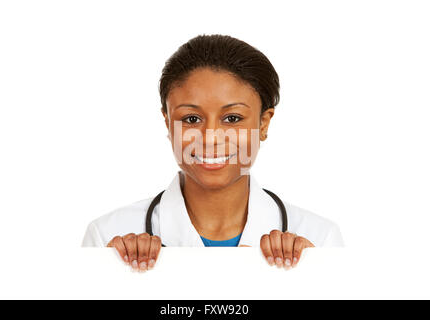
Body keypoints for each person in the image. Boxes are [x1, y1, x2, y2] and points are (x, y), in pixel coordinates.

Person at [82, 34, 344, 272]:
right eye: (192, 119)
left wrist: (313, 282)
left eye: (232, 118)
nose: (210, 138)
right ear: (168, 124)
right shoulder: (107, 238)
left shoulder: (320, 241)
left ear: (263, 124)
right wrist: (111, 281)